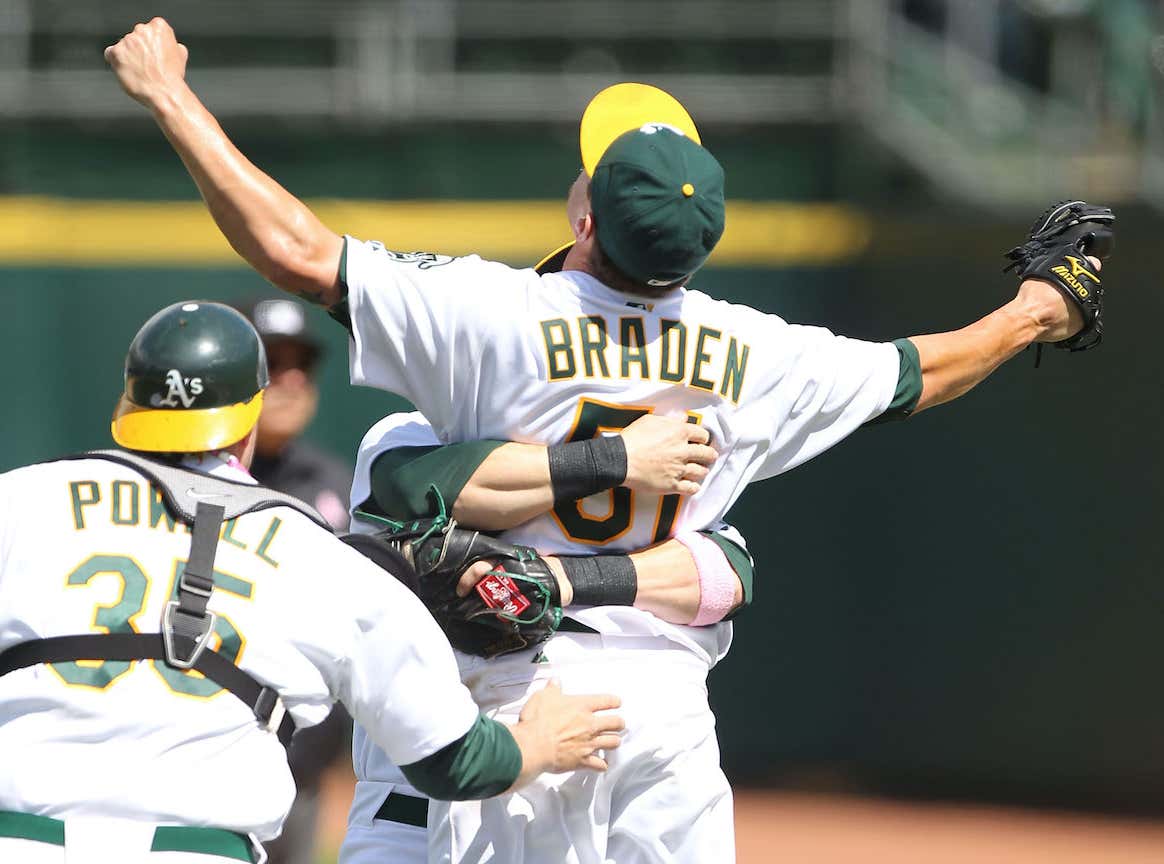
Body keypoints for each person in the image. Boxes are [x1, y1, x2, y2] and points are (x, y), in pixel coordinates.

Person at [103, 19, 1113, 862]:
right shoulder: (755, 349)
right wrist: (1038, 310)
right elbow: (921, 371)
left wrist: (170, 97)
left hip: (510, 695)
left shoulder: (488, 316)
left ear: (585, 214)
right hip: (661, 713)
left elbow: (291, 248)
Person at [0, 301, 624, 863]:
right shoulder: (323, 558)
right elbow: (456, 763)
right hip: (198, 851)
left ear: (127, 410)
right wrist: (538, 742)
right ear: (248, 425)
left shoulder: (19, 501)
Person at [340, 411, 754, 863]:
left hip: (625, 759)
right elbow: (419, 486)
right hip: (413, 812)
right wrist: (618, 458)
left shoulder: (656, 440)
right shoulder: (408, 433)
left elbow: (727, 575)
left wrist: (555, 578)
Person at [241, 296, 353, 864]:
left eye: (300, 365)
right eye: (270, 363)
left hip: (304, 780)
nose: (289, 381)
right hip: (200, 774)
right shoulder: (182, 478)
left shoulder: (339, 486)